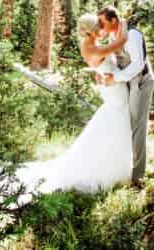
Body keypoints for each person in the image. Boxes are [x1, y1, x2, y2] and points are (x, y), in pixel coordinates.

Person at [14, 13, 133, 195]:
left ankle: (117, 165)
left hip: (112, 88)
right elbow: (120, 42)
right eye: (99, 27)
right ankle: (114, 170)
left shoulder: (90, 44)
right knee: (118, 123)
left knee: (113, 125)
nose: (102, 29)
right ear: (91, 31)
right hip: (115, 91)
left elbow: (102, 63)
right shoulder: (91, 48)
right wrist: (123, 22)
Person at [96, 4, 154, 188]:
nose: (100, 26)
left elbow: (137, 65)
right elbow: (116, 63)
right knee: (126, 123)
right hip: (128, 82)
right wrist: (103, 73)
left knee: (138, 126)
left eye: (102, 22)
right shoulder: (113, 37)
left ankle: (138, 177)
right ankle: (124, 168)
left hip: (141, 81)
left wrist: (115, 78)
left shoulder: (132, 35)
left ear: (114, 20)